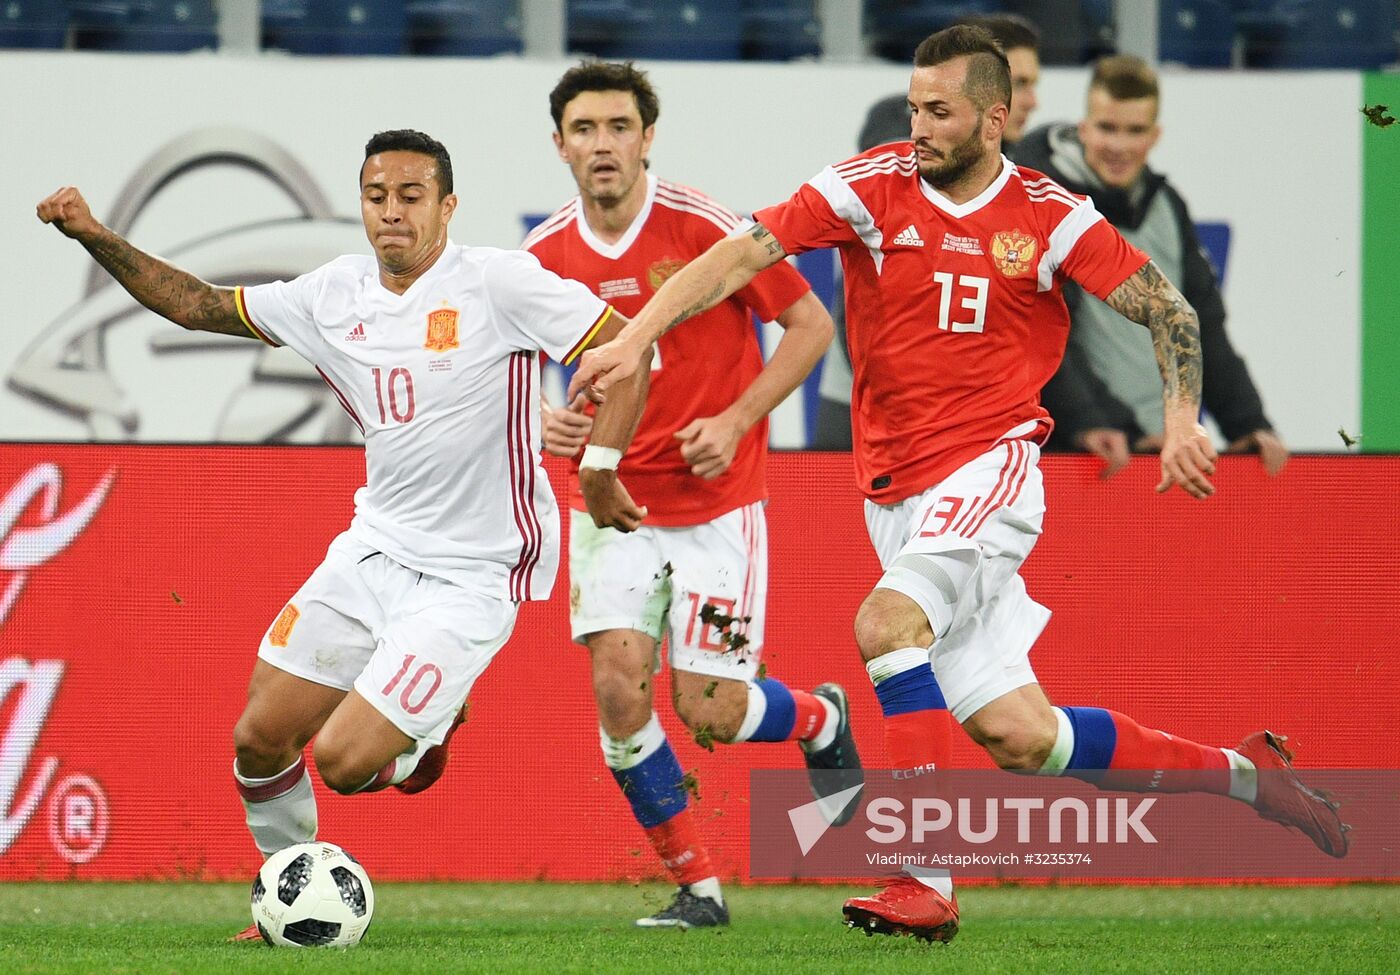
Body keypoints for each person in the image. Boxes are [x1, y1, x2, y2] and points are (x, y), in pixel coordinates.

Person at [567, 26, 1347, 944]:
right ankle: (1249, 775)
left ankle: (922, 878)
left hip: (992, 468)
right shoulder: (866, 188)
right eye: (913, 108)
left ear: (996, 116)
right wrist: (631, 335)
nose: (920, 126)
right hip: (895, 496)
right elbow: (740, 257)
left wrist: (1182, 419)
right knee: (1026, 738)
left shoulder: (1051, 215)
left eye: (940, 111)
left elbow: (1166, 307)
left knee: (884, 627)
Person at [36, 129, 651, 940]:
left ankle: (422, 735)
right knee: (258, 741)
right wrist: (94, 234)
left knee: (343, 762)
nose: (391, 213)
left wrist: (601, 466)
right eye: (376, 196)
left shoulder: (497, 283)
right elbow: (195, 305)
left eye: (410, 196)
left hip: (474, 572)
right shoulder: (335, 295)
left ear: (447, 205)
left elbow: (628, 347)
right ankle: (281, 900)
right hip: (374, 548)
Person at [525, 61, 862, 929]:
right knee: (618, 689)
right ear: (558, 144)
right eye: (586, 130)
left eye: (619, 127)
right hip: (613, 509)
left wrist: (740, 417)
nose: (604, 144)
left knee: (708, 710)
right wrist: (552, 420)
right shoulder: (544, 256)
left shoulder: (705, 226)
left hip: (719, 505)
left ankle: (821, 718)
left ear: (647, 138)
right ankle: (699, 886)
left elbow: (813, 325)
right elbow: (519, 374)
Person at [1014, 55, 1287, 478]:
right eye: (1107, 128)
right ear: (1083, 128)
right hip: (1076, 454)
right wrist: (1093, 420)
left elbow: (1200, 322)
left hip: (1154, 451)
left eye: (1135, 130)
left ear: (1155, 136)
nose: (1119, 146)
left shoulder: (1167, 207)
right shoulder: (1044, 203)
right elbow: (1040, 329)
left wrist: (1246, 422)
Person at [812, 12, 1043, 449]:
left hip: (967, 413)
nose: (1031, 100)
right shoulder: (898, 131)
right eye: (1021, 83)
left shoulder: (1027, 180)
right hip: (861, 391)